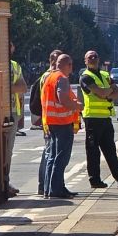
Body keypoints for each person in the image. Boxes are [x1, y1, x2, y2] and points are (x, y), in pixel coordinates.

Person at [79, 49, 118, 189]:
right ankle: (95, 180)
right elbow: (102, 92)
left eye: (95, 56)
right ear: (85, 61)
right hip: (92, 119)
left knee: (111, 151)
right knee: (93, 152)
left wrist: (106, 93)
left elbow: (117, 93)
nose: (93, 58)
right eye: (90, 57)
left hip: (105, 118)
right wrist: (108, 92)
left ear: (98, 59)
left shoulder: (105, 75)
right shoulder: (85, 77)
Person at [41, 52, 81, 199]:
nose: (72, 68)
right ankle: (57, 189)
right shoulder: (62, 79)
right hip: (62, 122)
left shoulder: (49, 77)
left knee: (52, 157)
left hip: (51, 122)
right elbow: (63, 99)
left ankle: (49, 188)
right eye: (71, 64)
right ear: (67, 65)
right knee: (61, 157)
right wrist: (77, 106)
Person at [31, 48, 62, 197]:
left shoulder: (46, 76)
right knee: (50, 153)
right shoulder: (51, 77)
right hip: (51, 120)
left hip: (49, 119)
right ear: (54, 61)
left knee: (49, 152)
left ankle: (45, 185)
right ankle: (45, 186)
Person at [10, 45, 28, 137]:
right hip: (7, 111)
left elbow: (24, 88)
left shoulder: (15, 65)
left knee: (9, 148)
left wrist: (7, 88)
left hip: (13, 111)